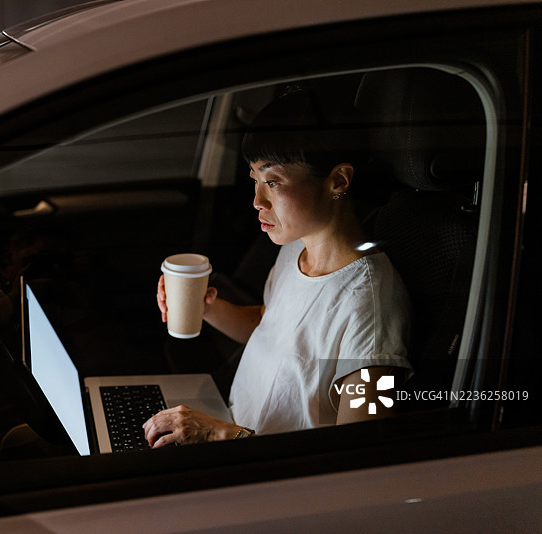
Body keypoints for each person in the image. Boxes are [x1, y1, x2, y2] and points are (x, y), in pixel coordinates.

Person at [144, 86, 413, 448]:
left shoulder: (371, 307)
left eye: (272, 182)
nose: (257, 200)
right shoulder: (295, 248)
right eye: (255, 181)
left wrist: (220, 433)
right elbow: (269, 325)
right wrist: (203, 307)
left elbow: (361, 456)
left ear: (337, 181)